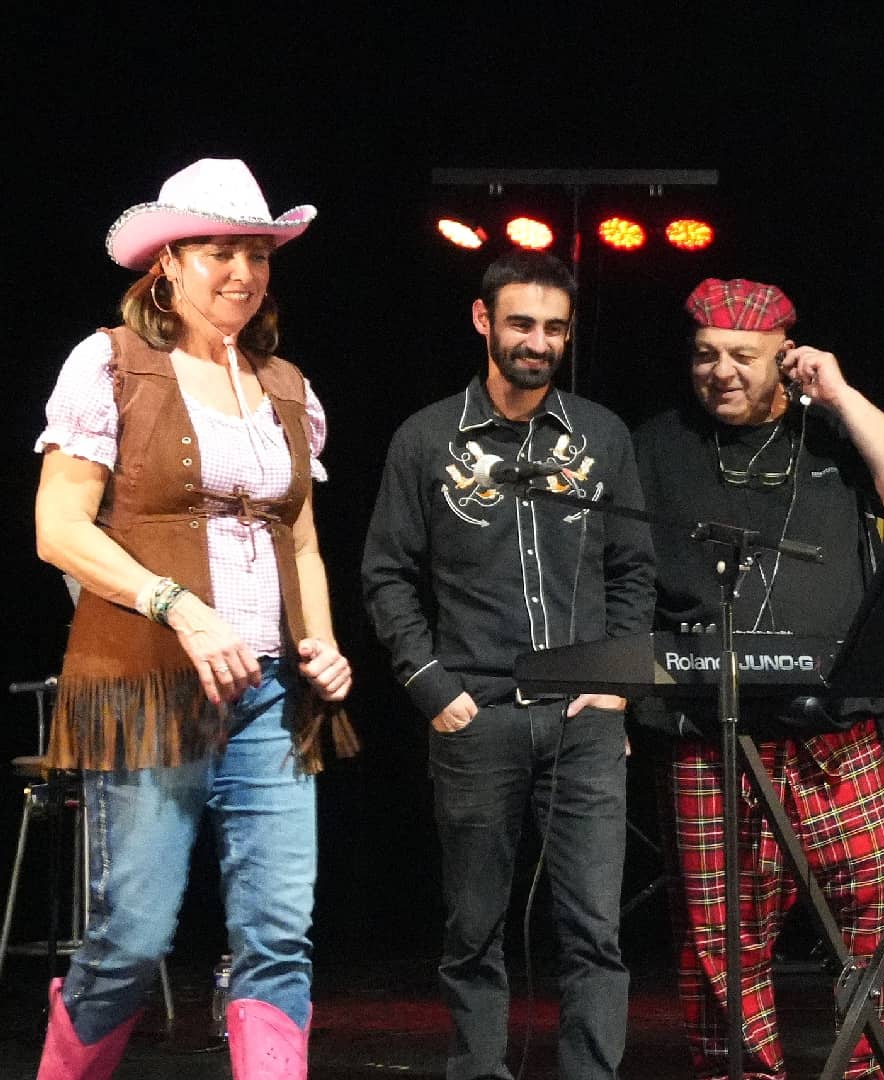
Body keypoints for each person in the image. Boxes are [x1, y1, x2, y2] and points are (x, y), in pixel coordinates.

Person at [32, 158, 354, 1078]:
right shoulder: (111, 363)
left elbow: (301, 545)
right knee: (131, 937)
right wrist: (178, 606)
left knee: (279, 937)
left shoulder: (285, 387)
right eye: (219, 251)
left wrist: (322, 645)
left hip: (268, 696)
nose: (242, 272)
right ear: (167, 263)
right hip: (147, 684)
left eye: (256, 252)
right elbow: (57, 527)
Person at [632, 277, 884, 1079]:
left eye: (744, 356)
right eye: (705, 355)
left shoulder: (832, 433)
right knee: (720, 945)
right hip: (709, 734)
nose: (722, 372)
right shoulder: (657, 445)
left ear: (786, 356)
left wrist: (840, 396)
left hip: (834, 730)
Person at [361, 251, 653, 1080]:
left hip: (585, 720)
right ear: (483, 321)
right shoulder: (427, 437)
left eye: (554, 327)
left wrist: (618, 686)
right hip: (477, 714)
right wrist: (433, 690)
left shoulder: (600, 434)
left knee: (594, 929)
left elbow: (633, 570)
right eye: (522, 323)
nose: (538, 340)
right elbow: (386, 571)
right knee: (474, 928)